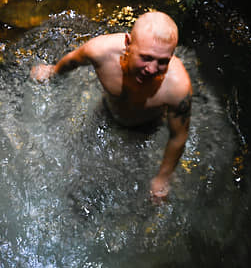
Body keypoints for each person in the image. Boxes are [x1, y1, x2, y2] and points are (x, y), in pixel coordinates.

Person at [31, 11, 192, 202]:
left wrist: (162, 178)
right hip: (106, 111)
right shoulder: (100, 51)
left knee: (122, 184)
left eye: (163, 61)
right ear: (128, 43)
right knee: (73, 164)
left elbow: (178, 136)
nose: (151, 69)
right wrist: (52, 71)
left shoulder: (177, 87)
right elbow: (73, 60)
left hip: (146, 127)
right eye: (146, 57)